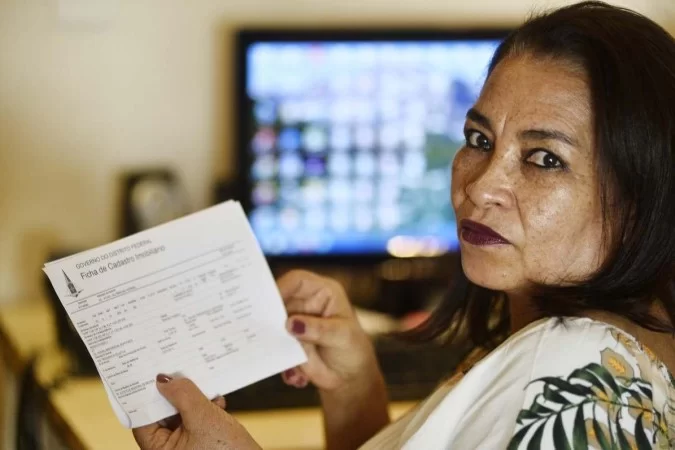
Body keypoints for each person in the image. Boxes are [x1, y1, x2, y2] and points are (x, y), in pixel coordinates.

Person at [132, 1, 675, 448]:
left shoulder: (572, 369)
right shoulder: (593, 345)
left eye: (544, 159)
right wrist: (354, 385)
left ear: (642, 194)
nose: (480, 185)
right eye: (479, 141)